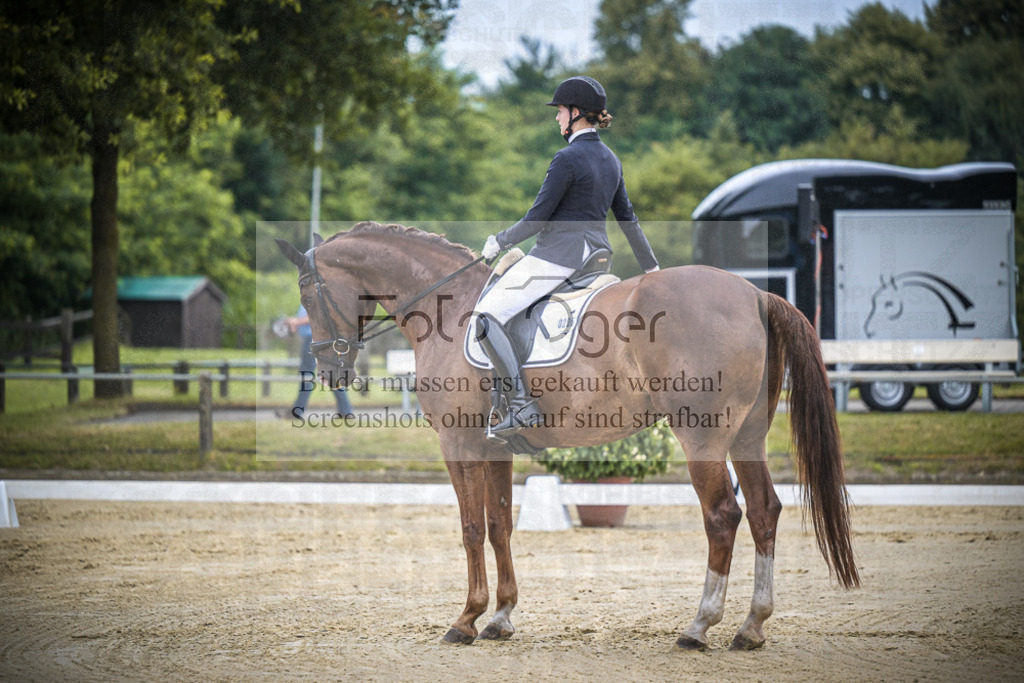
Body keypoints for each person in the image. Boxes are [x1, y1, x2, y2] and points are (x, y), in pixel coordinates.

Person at [477, 75, 660, 439]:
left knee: (486, 315)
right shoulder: (611, 159)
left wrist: (499, 241)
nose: (557, 118)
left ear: (577, 113)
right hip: (598, 260)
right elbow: (627, 219)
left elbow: (537, 219)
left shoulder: (566, 158)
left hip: (558, 259)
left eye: (560, 111)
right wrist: (651, 267)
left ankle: (521, 405)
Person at [281, 304, 354, 421]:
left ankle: (297, 411)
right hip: (319, 338)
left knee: (307, 375)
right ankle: (346, 411)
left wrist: (296, 322)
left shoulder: (314, 291)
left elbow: (317, 317)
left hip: (314, 340)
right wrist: (295, 325)